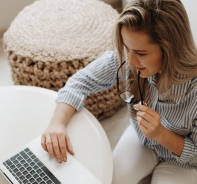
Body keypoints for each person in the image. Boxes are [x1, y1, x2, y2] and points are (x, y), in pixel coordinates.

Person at [41, 0, 197, 183]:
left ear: (171, 48)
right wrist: (56, 123)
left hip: (182, 162)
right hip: (141, 140)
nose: (130, 61)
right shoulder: (127, 60)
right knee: (110, 179)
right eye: (127, 48)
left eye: (141, 53)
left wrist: (161, 133)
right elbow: (80, 81)